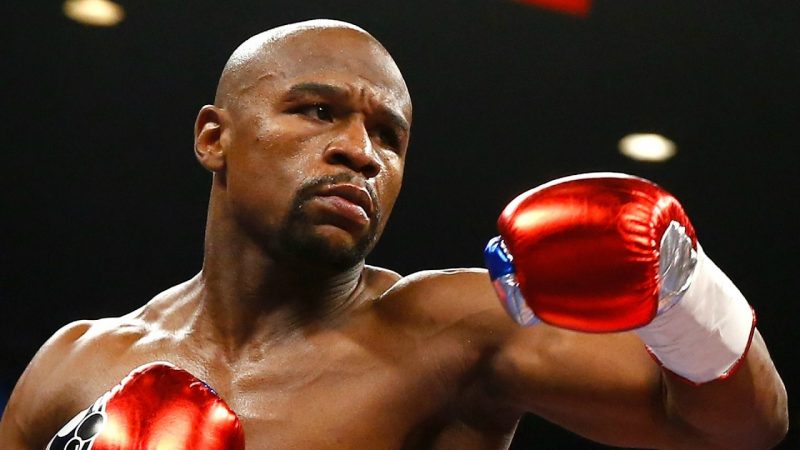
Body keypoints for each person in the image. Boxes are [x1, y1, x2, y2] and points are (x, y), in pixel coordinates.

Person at [0, 19, 788, 449]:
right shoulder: (79, 362)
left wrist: (682, 287)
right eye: (318, 111)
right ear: (215, 138)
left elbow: (741, 430)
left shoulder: (453, 331)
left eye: (390, 136)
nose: (361, 153)